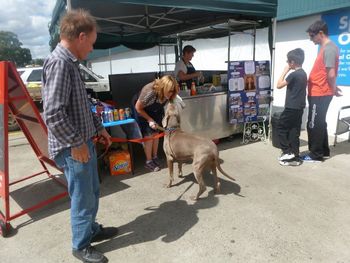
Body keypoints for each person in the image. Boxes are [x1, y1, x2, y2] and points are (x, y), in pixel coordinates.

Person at [42, 9, 118, 263]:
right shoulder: (60, 63)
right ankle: (80, 245)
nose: (92, 49)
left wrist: (99, 128)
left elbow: (82, 104)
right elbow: (52, 114)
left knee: (92, 192)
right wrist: (76, 143)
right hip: (72, 146)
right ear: (81, 37)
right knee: (82, 198)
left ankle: (90, 230)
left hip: (81, 141)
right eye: (93, 43)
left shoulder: (70, 63)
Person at [302, 20, 342, 162]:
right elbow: (328, 73)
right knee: (319, 122)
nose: (310, 39)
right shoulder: (327, 48)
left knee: (313, 123)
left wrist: (332, 89)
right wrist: (334, 88)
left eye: (312, 36)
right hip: (320, 91)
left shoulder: (329, 48)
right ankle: (323, 151)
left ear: (320, 33)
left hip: (320, 93)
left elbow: (331, 74)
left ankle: (315, 154)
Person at [132, 75, 178, 172]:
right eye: (170, 91)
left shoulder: (169, 94)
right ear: (163, 87)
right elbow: (138, 108)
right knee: (149, 135)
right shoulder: (150, 91)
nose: (171, 94)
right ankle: (148, 161)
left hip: (155, 109)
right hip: (142, 109)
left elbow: (169, 104)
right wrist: (149, 120)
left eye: (173, 91)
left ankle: (155, 157)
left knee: (156, 133)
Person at [276, 48, 307, 166]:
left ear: (292, 62)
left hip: (291, 107)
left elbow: (279, 85)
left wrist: (285, 71)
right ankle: (295, 156)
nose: (287, 64)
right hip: (299, 107)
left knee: (281, 128)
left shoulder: (293, 74)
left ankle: (287, 152)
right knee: (294, 131)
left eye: (288, 61)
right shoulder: (303, 73)